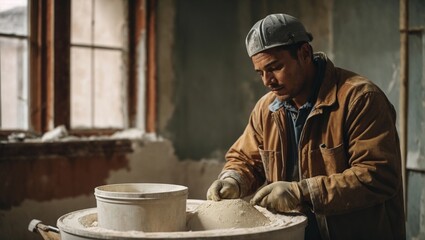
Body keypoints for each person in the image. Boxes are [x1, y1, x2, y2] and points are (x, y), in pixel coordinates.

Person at [206, 13, 405, 239]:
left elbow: (378, 176)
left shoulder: (360, 99)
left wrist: (303, 192)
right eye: (260, 72)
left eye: (275, 67)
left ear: (304, 53)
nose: (267, 81)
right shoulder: (266, 108)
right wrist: (233, 179)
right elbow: (244, 158)